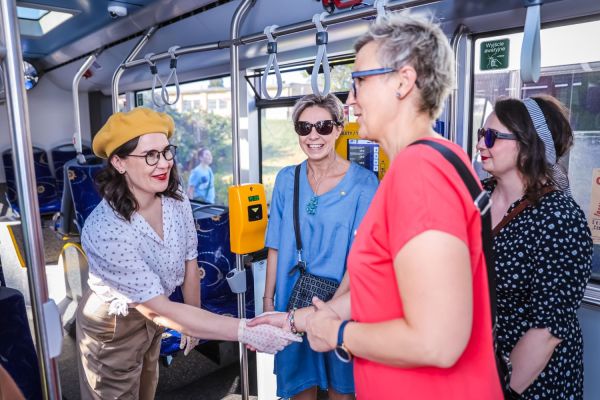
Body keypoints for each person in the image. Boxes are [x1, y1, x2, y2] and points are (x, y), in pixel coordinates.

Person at [251, 12, 503, 400]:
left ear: (402, 82)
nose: (350, 99)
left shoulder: (420, 174)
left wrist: (336, 333)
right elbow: (390, 290)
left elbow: (438, 342)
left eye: (359, 82)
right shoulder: (437, 159)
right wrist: (298, 318)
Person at [76, 107, 300, 399]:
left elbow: (190, 261)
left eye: (166, 152)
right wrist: (245, 330)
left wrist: (192, 322)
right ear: (118, 162)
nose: (164, 163)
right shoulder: (106, 229)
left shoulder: (175, 198)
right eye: (150, 155)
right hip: (115, 325)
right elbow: (157, 308)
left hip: (158, 313)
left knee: (146, 386)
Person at [263, 93, 378, 400]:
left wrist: (329, 313)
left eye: (323, 126)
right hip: (291, 300)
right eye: (304, 128)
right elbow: (274, 244)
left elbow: (361, 259)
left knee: (343, 389)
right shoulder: (287, 179)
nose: (313, 135)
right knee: (301, 386)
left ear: (339, 129)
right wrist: (267, 300)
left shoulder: (365, 184)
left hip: (342, 305)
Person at [477, 95, 593, 399]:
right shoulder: (476, 197)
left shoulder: (559, 218)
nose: (480, 144)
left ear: (528, 146)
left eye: (491, 136)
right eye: (480, 134)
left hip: (529, 381)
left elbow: (547, 332)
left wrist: (498, 392)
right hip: (477, 364)